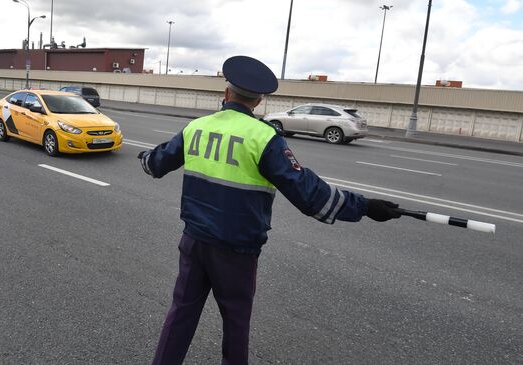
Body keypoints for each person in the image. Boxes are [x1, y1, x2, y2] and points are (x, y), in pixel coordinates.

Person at [138, 55, 402, 365]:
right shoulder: (264, 137)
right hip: (236, 250)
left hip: (194, 240)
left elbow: (157, 163)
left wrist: (144, 156)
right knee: (235, 322)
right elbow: (308, 194)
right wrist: (365, 206)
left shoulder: (197, 127)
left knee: (181, 312)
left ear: (226, 94)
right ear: (259, 100)